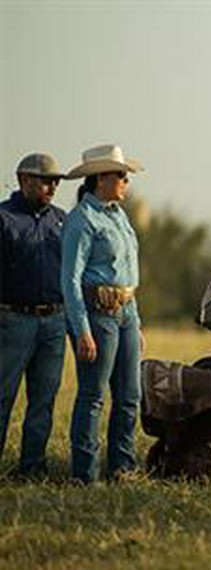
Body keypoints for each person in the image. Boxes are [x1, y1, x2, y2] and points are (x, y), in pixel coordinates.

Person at [61, 144, 145, 484]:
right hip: (97, 314)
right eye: (121, 175)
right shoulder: (81, 220)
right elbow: (70, 280)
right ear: (101, 178)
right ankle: (85, 473)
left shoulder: (118, 215)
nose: (126, 181)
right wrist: (81, 330)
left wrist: (136, 320)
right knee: (93, 395)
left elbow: (128, 273)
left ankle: (122, 467)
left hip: (125, 312)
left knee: (129, 396)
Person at [0, 153, 68, 479]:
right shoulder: (3, 217)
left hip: (54, 320)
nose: (53, 186)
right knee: (3, 395)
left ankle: (32, 468)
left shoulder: (62, 219)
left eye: (56, 180)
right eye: (45, 180)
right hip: (13, 320)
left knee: (43, 399)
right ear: (24, 179)